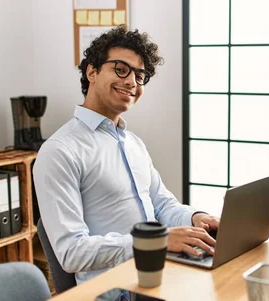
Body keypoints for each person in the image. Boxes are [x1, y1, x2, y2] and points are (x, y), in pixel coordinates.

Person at [33, 26, 219, 284]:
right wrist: (156, 242)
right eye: (121, 69)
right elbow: (71, 252)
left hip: (158, 274)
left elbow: (162, 204)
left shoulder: (134, 144)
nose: (132, 81)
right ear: (92, 72)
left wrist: (197, 218)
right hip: (114, 289)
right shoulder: (60, 150)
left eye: (139, 75)